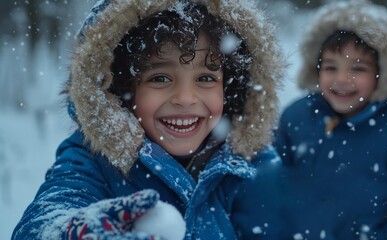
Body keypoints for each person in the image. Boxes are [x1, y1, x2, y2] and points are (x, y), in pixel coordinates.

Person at [12, 0, 286, 239]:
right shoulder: (93, 160)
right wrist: (72, 231)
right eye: (160, 78)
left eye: (205, 78)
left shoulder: (250, 163)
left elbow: (293, 219)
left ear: (229, 89)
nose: (185, 98)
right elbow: (48, 215)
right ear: (121, 91)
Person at [274, 1, 387, 239]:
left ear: (383, 73)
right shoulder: (298, 117)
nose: (342, 79)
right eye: (331, 67)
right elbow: (271, 177)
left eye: (358, 69)